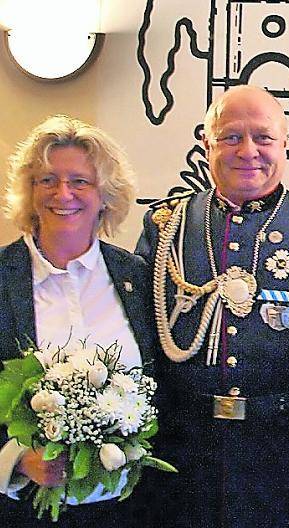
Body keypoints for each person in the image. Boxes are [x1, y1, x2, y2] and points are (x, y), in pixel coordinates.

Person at [135, 85, 289, 527]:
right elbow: (143, 347)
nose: (248, 150)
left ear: (286, 143)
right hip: (184, 457)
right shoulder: (166, 227)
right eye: (231, 137)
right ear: (207, 143)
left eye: (263, 137)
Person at [0, 115, 155, 526]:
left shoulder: (138, 278)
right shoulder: (1, 278)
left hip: (130, 511)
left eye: (79, 181)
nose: (62, 193)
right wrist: (15, 461)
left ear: (105, 194)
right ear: (30, 192)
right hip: (22, 510)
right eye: (47, 180)